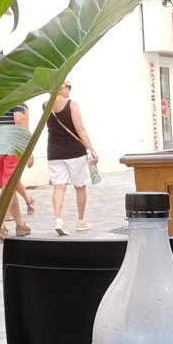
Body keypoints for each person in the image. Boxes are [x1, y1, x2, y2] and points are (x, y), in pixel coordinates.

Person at [45, 82, 98, 236]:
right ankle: (81, 221)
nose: (70, 90)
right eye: (69, 87)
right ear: (62, 87)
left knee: (58, 186)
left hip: (54, 152)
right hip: (74, 151)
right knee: (80, 186)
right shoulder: (71, 105)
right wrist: (91, 149)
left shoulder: (45, 105)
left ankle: (58, 219)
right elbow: (80, 129)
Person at [0, 104, 32, 239]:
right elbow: (19, 120)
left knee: (8, 188)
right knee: (8, 188)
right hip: (12, 146)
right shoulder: (16, 96)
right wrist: (28, 148)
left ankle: (20, 225)